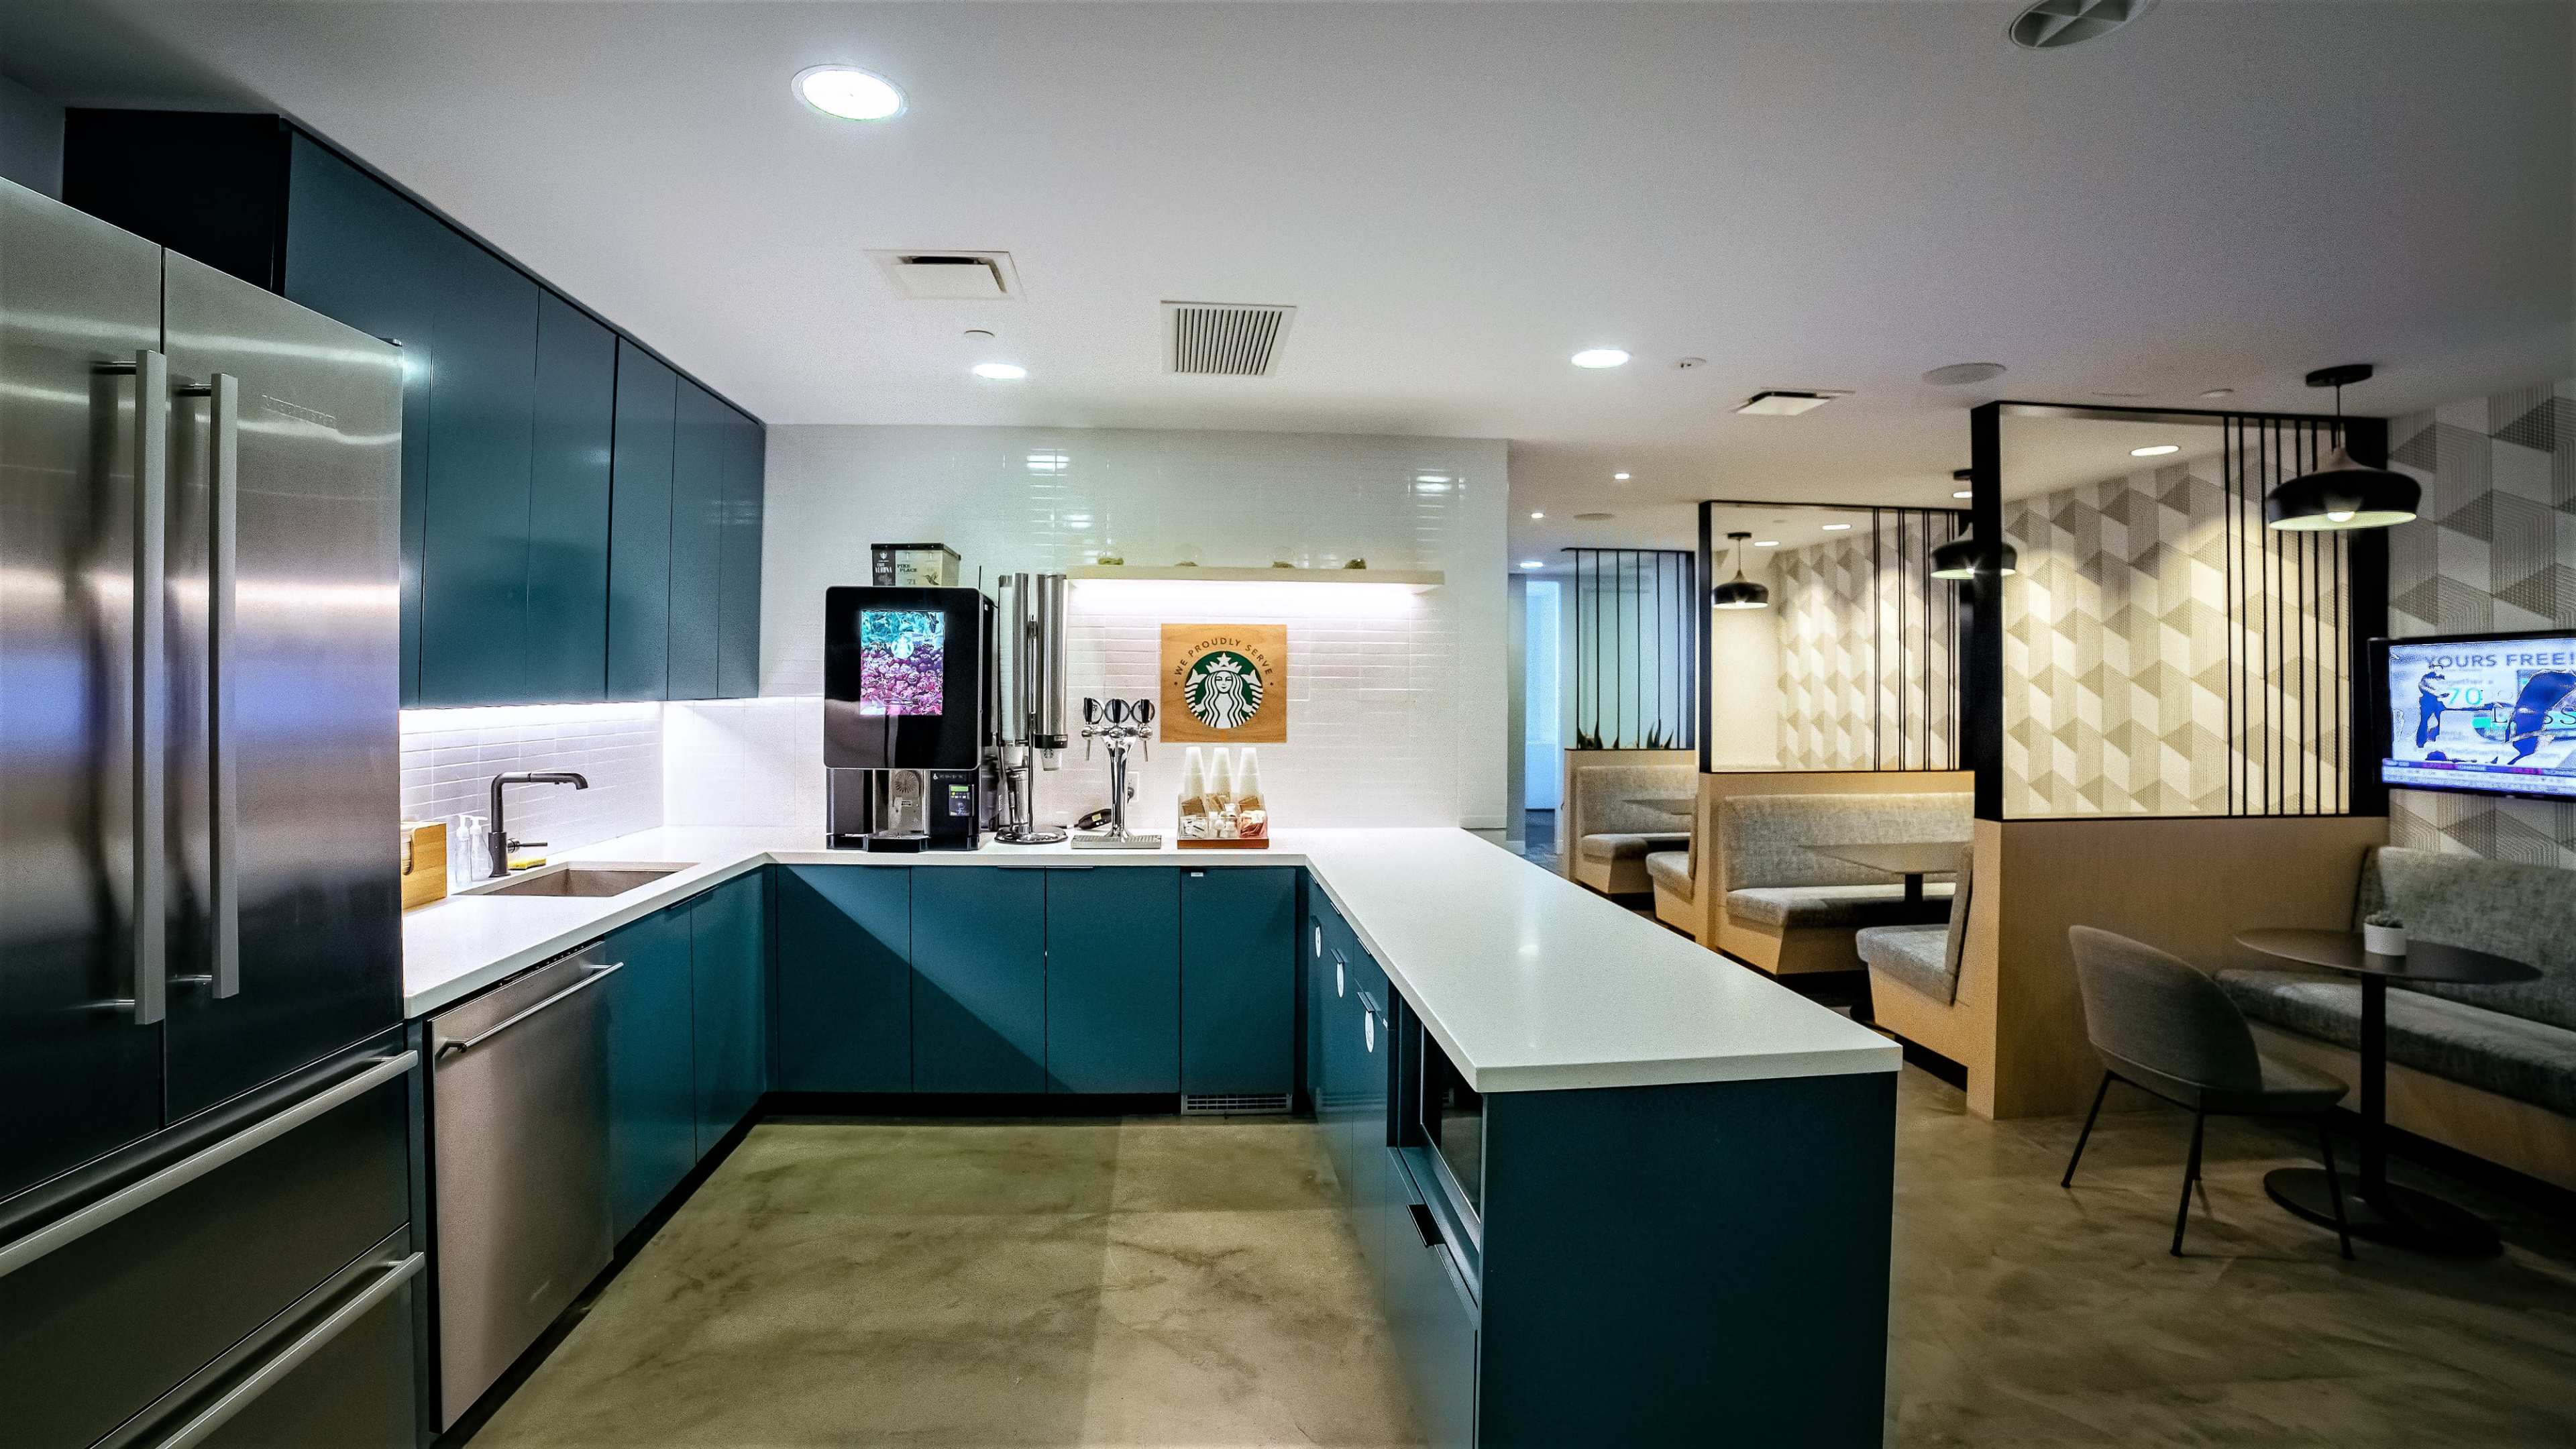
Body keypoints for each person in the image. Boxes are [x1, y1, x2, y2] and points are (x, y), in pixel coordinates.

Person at [2414, 667, 2450, 750]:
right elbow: (2422, 687)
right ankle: (2420, 742)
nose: (2438, 670)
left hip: (2437, 702)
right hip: (2427, 702)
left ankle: (2434, 738)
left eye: (2440, 669)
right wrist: (2438, 694)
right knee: (2424, 722)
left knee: (2442, 721)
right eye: (2436, 668)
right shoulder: (2426, 678)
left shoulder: (2441, 678)